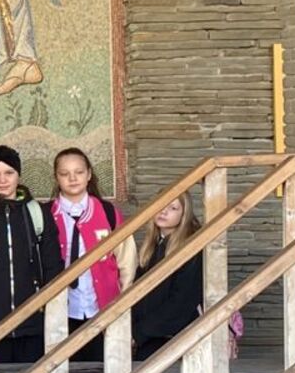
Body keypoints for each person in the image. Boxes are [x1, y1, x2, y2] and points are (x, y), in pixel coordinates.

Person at [0, 145, 56, 363]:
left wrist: (52, 309)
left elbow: (52, 264)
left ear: (19, 175)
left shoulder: (36, 212)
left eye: (9, 172)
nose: (2, 180)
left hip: (33, 322)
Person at [47, 147, 122, 336]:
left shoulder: (107, 212)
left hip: (104, 308)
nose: (72, 178)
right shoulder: (45, 214)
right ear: (56, 177)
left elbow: (125, 260)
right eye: (64, 174)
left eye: (79, 172)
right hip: (60, 311)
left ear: (89, 174)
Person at [133, 194, 203, 360]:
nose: (163, 211)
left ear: (184, 214)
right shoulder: (152, 246)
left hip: (173, 338)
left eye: (173, 208)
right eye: (161, 205)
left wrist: (139, 332)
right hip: (149, 335)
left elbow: (182, 301)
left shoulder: (190, 247)